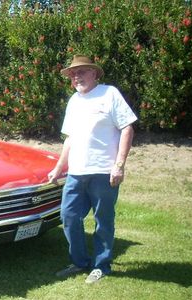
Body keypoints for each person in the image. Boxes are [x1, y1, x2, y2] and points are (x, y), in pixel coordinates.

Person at [48, 55, 137, 284]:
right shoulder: (73, 101)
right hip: (76, 172)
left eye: (83, 71)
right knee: (68, 216)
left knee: (103, 220)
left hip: (103, 172)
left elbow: (127, 127)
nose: (77, 76)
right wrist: (59, 167)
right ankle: (79, 262)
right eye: (73, 74)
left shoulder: (110, 94)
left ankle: (101, 265)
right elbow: (70, 138)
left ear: (95, 74)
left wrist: (119, 164)